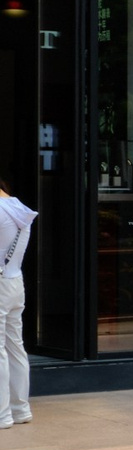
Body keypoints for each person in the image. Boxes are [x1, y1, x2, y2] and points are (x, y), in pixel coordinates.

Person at [0, 173, 32, 431]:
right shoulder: (19, 208)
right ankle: (21, 409)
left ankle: (2, 415)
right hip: (15, 281)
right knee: (15, 347)